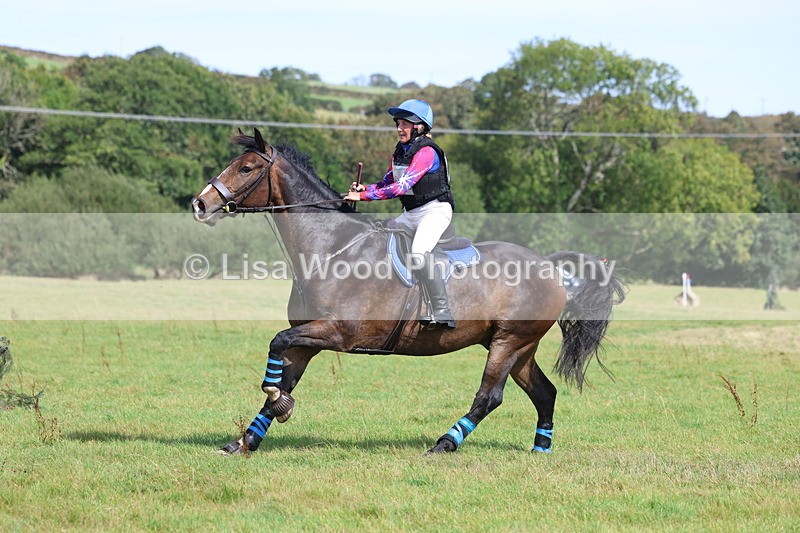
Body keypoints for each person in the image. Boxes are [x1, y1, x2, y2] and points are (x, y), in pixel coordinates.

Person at [344, 99, 456, 329]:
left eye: (405, 123)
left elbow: (401, 187)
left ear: (419, 127)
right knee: (379, 238)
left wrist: (363, 198)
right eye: (398, 123)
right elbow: (387, 181)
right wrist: (366, 189)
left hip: (434, 211)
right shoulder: (400, 151)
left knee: (418, 253)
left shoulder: (426, 152)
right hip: (411, 212)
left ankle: (442, 310)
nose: (399, 128)